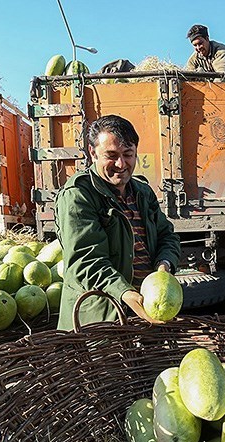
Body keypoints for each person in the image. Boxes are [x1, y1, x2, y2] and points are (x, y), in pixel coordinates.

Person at [53, 114, 181, 331]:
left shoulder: (142, 192)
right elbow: (85, 261)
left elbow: (167, 235)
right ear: (93, 153)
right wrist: (124, 292)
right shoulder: (78, 195)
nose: (121, 164)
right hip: (99, 318)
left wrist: (164, 266)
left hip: (144, 314)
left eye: (128, 154)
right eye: (111, 155)